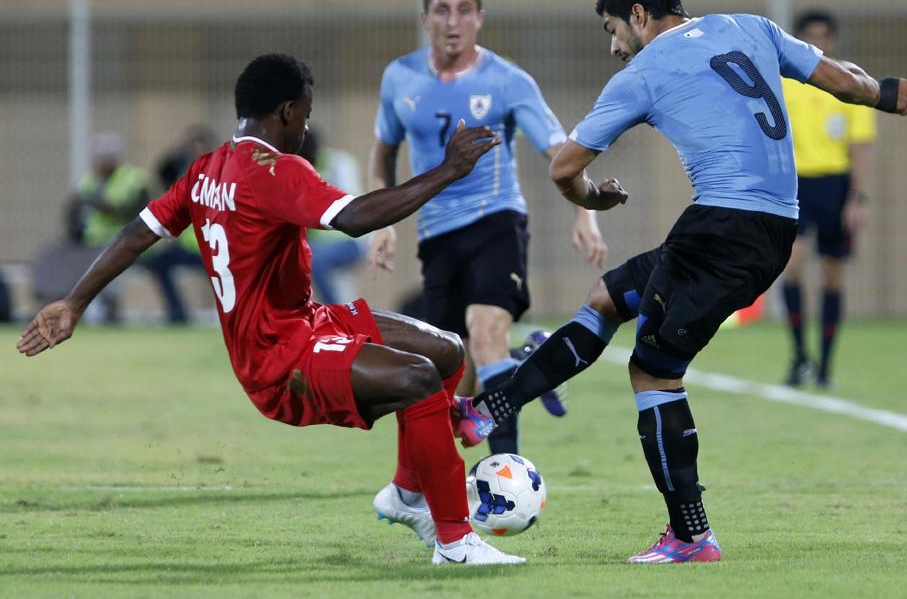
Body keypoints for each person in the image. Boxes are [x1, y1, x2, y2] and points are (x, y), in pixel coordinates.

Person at [458, 0, 907, 564]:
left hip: (724, 232)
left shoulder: (645, 71)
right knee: (607, 296)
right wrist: (885, 94)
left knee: (653, 374)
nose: (613, 47)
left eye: (613, 30)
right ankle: (489, 408)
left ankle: (691, 534)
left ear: (639, 16)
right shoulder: (750, 26)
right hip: (761, 224)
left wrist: (593, 199)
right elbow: (840, 79)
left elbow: (562, 168)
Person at [16, 53, 525, 566]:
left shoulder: (206, 169)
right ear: (286, 111)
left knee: (446, 350)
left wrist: (74, 302)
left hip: (303, 321)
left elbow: (136, 235)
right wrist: (449, 170)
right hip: (279, 357)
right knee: (416, 379)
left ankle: (408, 493)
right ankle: (457, 543)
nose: (306, 127)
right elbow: (355, 218)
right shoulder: (276, 171)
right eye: (305, 113)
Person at [368, 0, 608, 457]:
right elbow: (383, 154)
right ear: (425, 18)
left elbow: (561, 151)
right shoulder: (399, 78)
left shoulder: (507, 80)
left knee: (484, 330)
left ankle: (505, 472)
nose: (452, 21)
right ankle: (527, 366)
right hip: (437, 234)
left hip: (497, 221)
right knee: (452, 371)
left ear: (480, 18)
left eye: (463, 11)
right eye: (442, 10)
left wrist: (586, 210)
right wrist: (384, 221)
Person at [781, 11, 877, 388]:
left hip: (836, 187)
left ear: (833, 40)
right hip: (796, 185)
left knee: (833, 277)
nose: (818, 42)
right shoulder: (787, 84)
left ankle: (825, 365)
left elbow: (860, 147)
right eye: (810, 36)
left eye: (823, 36)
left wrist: (858, 197)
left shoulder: (848, 81)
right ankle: (799, 356)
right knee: (791, 267)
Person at [64, 131, 150, 322]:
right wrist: (75, 235)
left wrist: (105, 206)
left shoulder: (132, 178)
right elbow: (73, 209)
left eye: (107, 158)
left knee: (111, 262)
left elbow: (135, 211)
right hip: (90, 243)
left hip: (125, 241)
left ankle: (110, 308)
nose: (103, 162)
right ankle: (78, 308)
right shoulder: (90, 180)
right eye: (100, 158)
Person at [143, 124, 219, 323]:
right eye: (190, 146)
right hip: (187, 247)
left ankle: (230, 315)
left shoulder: (220, 175)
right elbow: (163, 171)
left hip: (213, 247)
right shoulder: (183, 175)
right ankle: (178, 312)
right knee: (158, 264)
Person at [297, 128, 367, 304]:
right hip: (318, 244)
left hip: (351, 240)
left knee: (316, 260)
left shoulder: (337, 163)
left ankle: (337, 312)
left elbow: (347, 202)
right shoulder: (299, 170)